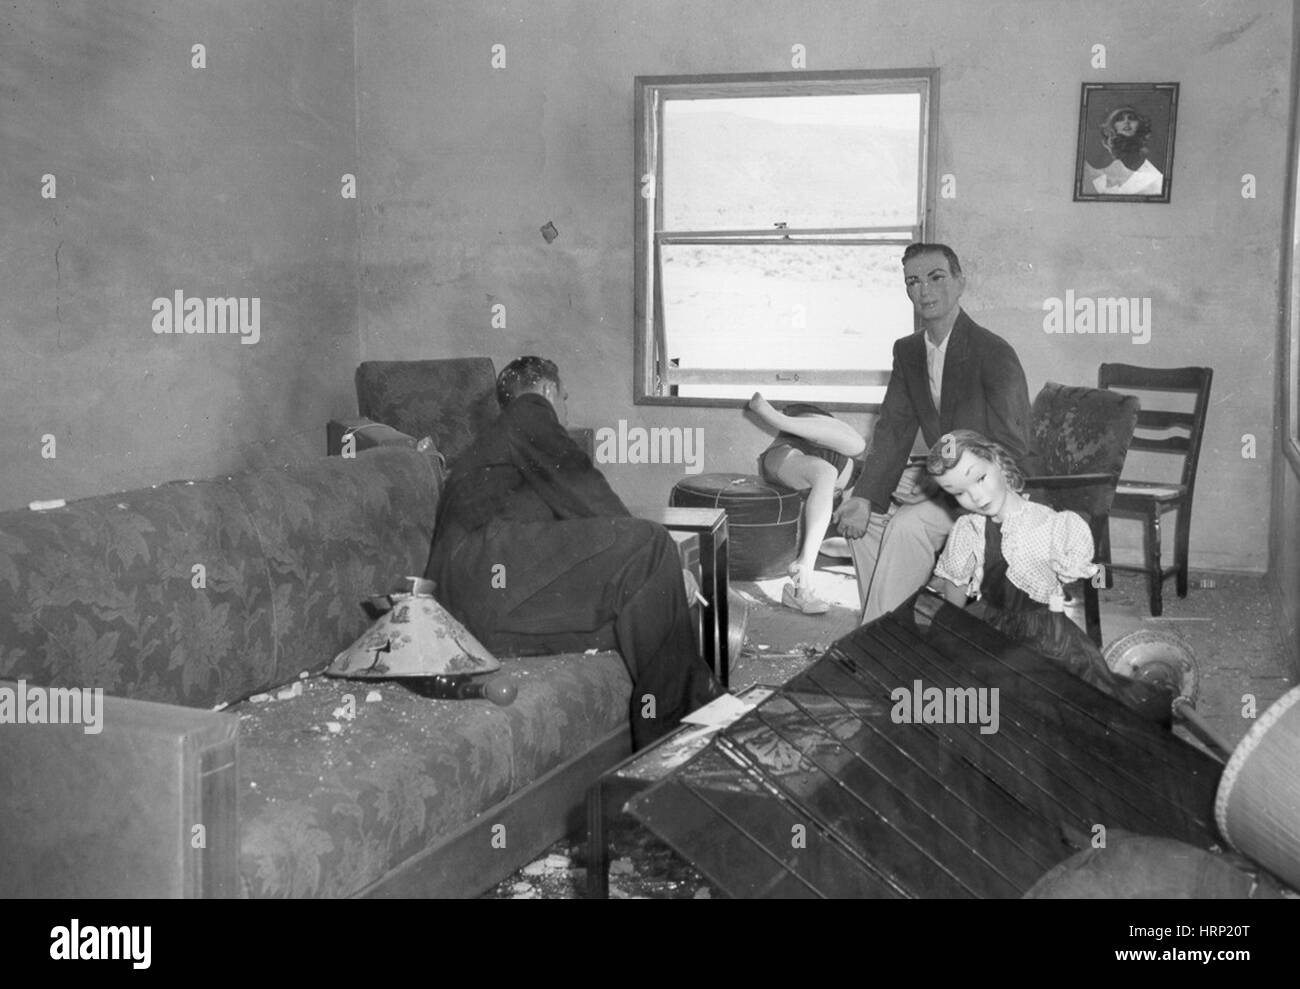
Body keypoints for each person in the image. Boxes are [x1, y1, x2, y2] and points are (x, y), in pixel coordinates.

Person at [424, 356, 722, 748]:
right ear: (547, 391)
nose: (563, 407)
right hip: (485, 571)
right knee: (650, 546)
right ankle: (676, 732)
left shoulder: (497, 440)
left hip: (477, 611)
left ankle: (697, 708)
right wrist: (662, 562)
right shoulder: (529, 414)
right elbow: (587, 491)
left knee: (639, 614)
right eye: (563, 396)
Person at [832, 243, 1036, 625]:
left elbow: (1013, 446)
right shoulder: (908, 351)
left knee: (909, 525)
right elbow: (894, 427)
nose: (924, 290)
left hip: (992, 490)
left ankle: (879, 643)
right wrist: (864, 495)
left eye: (936, 277)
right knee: (862, 516)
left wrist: (938, 484)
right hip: (946, 484)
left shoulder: (993, 351)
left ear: (960, 282)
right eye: (913, 281)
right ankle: (894, 627)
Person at [926, 429, 1176, 723]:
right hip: (990, 621)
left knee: (1062, 702)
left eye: (979, 478)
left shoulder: (1049, 525)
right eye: (958, 492)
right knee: (952, 682)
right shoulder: (968, 528)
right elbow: (956, 581)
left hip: (1042, 632)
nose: (975, 496)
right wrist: (952, 627)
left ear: (997, 462)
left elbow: (1083, 571)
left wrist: (1074, 566)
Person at [747, 393, 865, 614]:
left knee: (826, 471)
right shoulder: (858, 474)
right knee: (857, 445)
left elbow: (830, 545)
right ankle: (778, 418)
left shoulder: (835, 487)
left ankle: (802, 578)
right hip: (807, 429)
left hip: (799, 456)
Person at [1084, 106, 1164, 196]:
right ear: (1113, 126)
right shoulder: (1103, 166)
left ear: (1140, 125)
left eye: (1132, 118)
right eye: (1120, 119)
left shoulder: (1150, 164)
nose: (1126, 122)